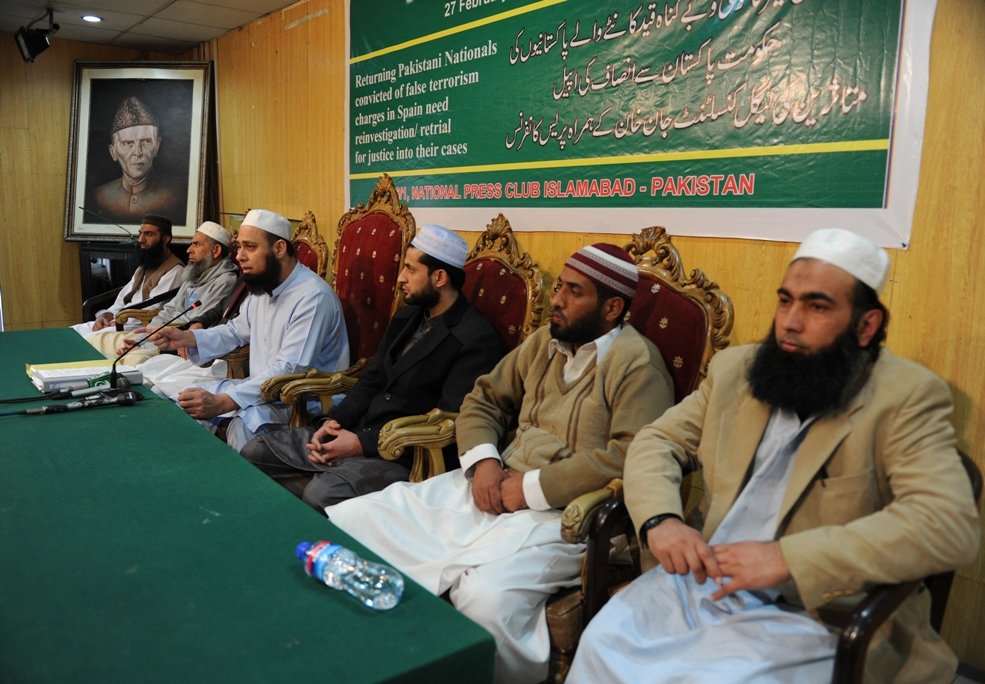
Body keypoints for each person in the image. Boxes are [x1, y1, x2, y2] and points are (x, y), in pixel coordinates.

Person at [568, 229, 981, 684]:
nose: (790, 321)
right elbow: (656, 441)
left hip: (817, 616)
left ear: (867, 326)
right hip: (702, 580)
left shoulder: (906, 397)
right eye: (786, 301)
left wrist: (788, 558)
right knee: (603, 642)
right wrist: (660, 520)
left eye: (817, 306)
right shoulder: (738, 370)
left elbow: (948, 525)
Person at [326, 243, 675, 683]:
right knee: (361, 519)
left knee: (486, 597)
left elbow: (631, 456)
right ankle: (387, 659)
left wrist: (528, 489)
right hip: (492, 485)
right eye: (560, 287)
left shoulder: (637, 363)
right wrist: (485, 463)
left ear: (612, 309)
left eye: (573, 292)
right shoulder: (545, 341)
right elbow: (482, 399)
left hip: (563, 517)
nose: (558, 299)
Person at [240, 224, 506, 510]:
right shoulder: (408, 317)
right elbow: (371, 379)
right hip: (358, 431)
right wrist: (334, 422)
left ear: (439, 277)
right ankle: (326, 500)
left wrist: (360, 443)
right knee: (256, 451)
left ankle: (321, 503)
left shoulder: (475, 339)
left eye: (410, 269)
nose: (401, 279)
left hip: (405, 453)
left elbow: (446, 420)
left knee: (322, 495)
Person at [149, 209, 350, 451]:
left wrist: (225, 401)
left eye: (250, 247)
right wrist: (188, 338)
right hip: (262, 392)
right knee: (177, 399)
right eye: (239, 247)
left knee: (242, 426)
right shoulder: (265, 286)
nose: (240, 256)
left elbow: (290, 369)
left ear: (278, 249)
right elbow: (235, 331)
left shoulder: (312, 296)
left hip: (301, 401)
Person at [84, 221, 240, 365]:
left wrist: (149, 341)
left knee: (131, 360)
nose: (188, 250)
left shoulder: (225, 281)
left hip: (176, 341)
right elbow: (170, 309)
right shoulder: (194, 273)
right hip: (158, 334)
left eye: (196, 244)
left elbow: (198, 321)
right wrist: (144, 336)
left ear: (216, 251)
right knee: (98, 340)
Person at [72, 213, 184, 336]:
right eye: (140, 233)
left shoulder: (175, 270)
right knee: (72, 331)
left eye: (148, 234)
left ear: (165, 239)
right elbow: (122, 300)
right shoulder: (144, 267)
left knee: (88, 339)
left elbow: (152, 309)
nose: (141, 239)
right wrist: (105, 316)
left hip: (137, 327)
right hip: (120, 321)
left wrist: (120, 319)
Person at [92, 96, 183, 223]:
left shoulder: (179, 193)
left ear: (157, 146)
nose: (137, 152)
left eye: (146, 141)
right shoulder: (97, 197)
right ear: (113, 152)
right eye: (127, 143)